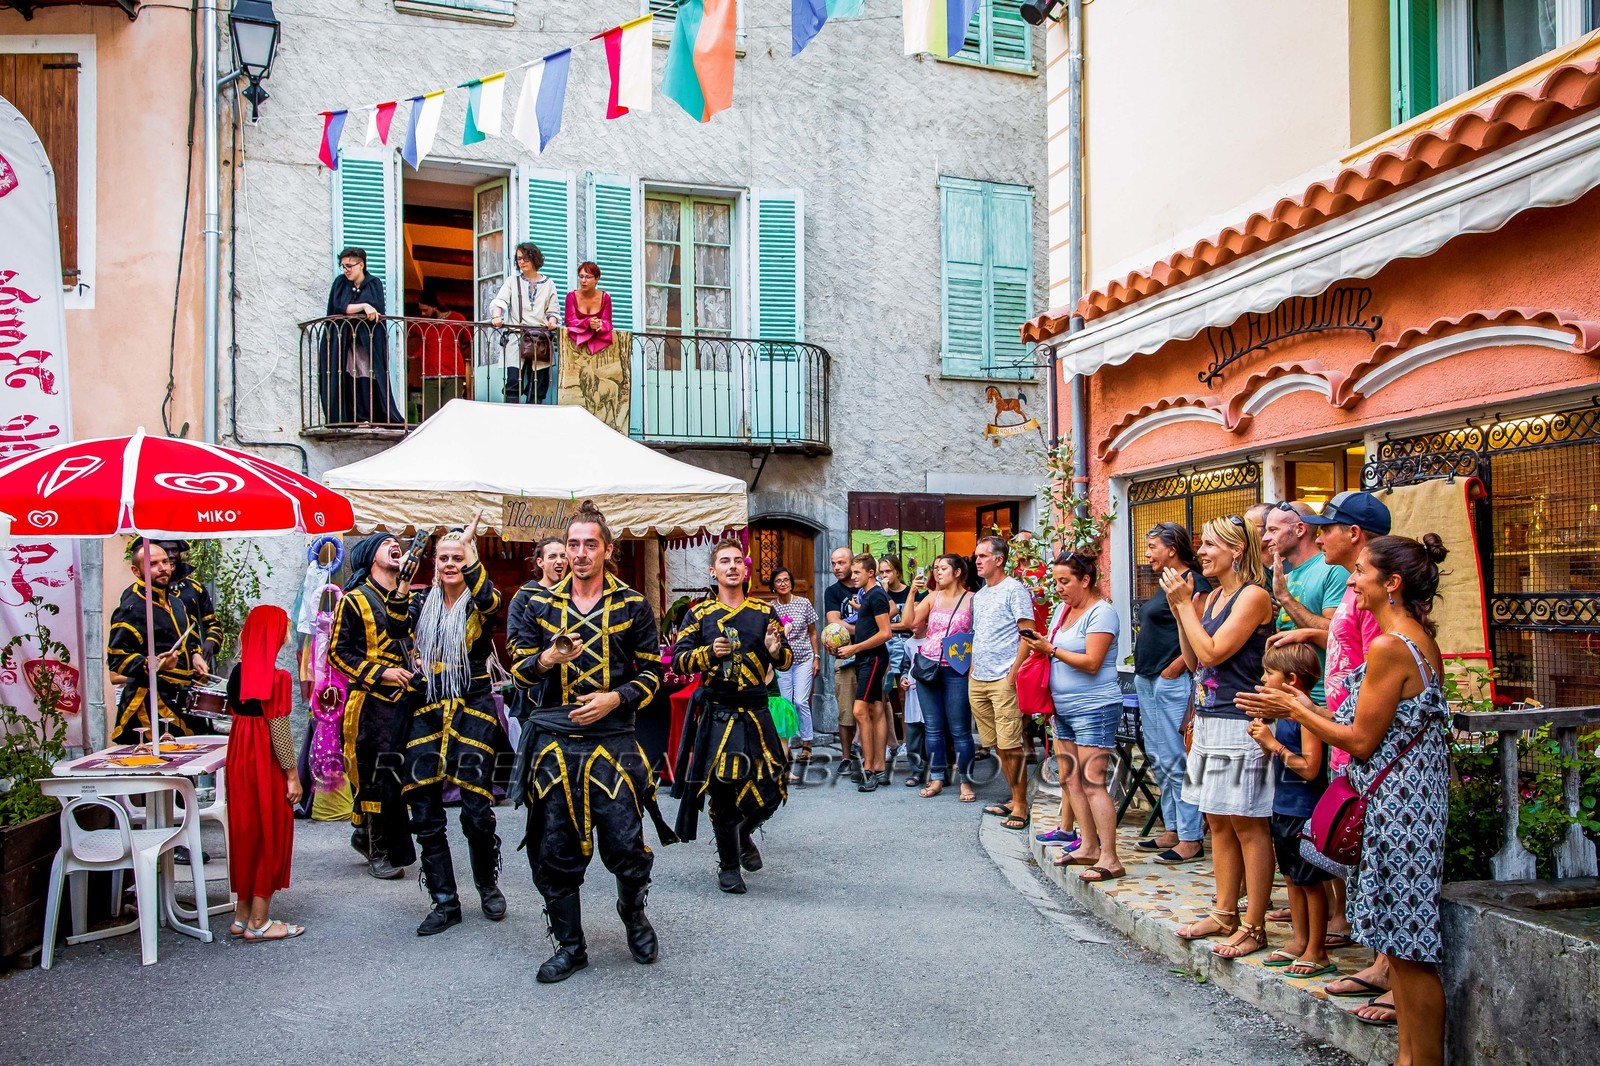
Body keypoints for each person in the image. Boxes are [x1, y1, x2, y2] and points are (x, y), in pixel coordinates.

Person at [1238, 534, 1452, 1066]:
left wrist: (1296, 709)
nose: (1352, 581)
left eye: (1360, 572)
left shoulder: (1388, 646)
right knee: (1402, 949)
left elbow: (1359, 739)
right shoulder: (1415, 638)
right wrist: (1298, 708)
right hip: (1408, 802)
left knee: (1409, 951)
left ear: (1392, 583)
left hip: (1399, 809)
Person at [506, 501, 675, 984]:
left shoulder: (633, 605)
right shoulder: (534, 603)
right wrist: (547, 661)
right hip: (555, 743)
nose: (579, 554)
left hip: (613, 738)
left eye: (589, 545)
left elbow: (652, 674)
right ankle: (571, 946)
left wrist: (614, 699)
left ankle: (633, 914)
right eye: (573, 545)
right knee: (555, 847)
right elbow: (517, 670)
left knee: (626, 844)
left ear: (607, 550)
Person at [1279, 489, 1391, 971]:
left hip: (1362, 731)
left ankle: (1384, 961)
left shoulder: (1369, 589)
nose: (1319, 534)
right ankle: (1377, 957)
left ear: (1355, 533)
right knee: (1350, 837)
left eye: (1327, 527)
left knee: (1370, 842)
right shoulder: (1351, 584)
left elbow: (1376, 656)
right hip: (1340, 726)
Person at [1164, 514, 1276, 960]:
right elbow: (1195, 661)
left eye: (1210, 544)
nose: (1202, 551)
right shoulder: (1209, 600)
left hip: (1239, 721)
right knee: (1215, 819)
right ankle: (1225, 912)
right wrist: (1181, 609)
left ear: (1238, 551)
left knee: (1248, 823)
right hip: (1209, 720)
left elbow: (1214, 651)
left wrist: (1185, 607)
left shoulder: (1254, 597)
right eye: (1202, 543)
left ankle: (1254, 924)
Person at [400, 516, 510, 937]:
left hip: (473, 706)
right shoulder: (418, 602)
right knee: (424, 810)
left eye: (458, 557)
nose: (450, 563)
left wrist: (469, 554)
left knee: (477, 812)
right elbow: (393, 620)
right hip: (427, 707)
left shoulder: (482, 599)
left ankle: (487, 885)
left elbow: (491, 605)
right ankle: (444, 901)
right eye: (444, 557)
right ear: (434, 564)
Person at [671, 541, 793, 893]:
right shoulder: (698, 614)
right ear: (713, 571)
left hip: (757, 711)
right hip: (719, 712)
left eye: (738, 561)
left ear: (746, 569)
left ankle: (741, 834)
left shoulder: (764, 612)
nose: (732, 566)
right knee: (722, 791)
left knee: (773, 788)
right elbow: (680, 661)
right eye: (725, 561)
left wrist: (775, 651)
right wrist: (708, 653)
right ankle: (728, 865)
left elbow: (786, 660)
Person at [1022, 550, 1124, 881]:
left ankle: (1110, 857)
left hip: (1094, 707)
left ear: (1086, 579)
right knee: (1070, 778)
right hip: (1063, 709)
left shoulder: (1102, 613)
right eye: (1056, 582)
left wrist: (1050, 650)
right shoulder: (1064, 612)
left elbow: (1092, 662)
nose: (1060, 588)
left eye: (1065, 581)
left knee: (1093, 782)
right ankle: (1089, 846)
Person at [328, 532, 418, 881]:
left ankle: (366, 835)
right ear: (369, 555)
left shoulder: (408, 599)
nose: (396, 545)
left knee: (398, 775)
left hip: (405, 700)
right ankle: (377, 847)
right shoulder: (353, 600)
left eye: (398, 542)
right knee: (374, 776)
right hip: (369, 703)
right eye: (386, 543)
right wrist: (380, 672)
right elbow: (338, 652)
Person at [1247, 642, 1331, 978]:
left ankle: (1318, 950)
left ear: (1292, 680)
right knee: (1292, 879)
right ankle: (1300, 939)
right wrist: (1263, 739)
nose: (1263, 678)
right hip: (1282, 805)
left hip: (1305, 809)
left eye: (1269, 673)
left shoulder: (1306, 715)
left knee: (1310, 882)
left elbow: (1310, 768)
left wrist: (1273, 745)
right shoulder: (1283, 715)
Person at [223, 605, 304, 942]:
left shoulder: (237, 674)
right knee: (271, 830)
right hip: (264, 760)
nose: (288, 633)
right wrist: (292, 775)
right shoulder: (278, 678)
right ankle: (260, 921)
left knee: (247, 831)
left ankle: (242, 916)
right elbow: (280, 732)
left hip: (239, 757)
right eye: (285, 627)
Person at [1132, 522, 1209, 865]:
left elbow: (1201, 630)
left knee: (1178, 759)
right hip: (1148, 678)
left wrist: (1176, 667)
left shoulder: (1193, 582)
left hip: (1170, 681)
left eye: (1152, 546)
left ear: (1172, 549)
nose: (1147, 553)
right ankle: (1173, 827)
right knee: (1160, 758)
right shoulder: (1164, 582)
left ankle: (1191, 837)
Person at [106, 540, 206, 743]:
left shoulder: (177, 603)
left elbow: (185, 638)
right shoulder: (132, 607)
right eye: (153, 564)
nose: (162, 568)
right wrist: (153, 664)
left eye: (166, 562)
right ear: (136, 570)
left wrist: (195, 654)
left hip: (180, 699)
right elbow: (117, 657)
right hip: (149, 704)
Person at [969, 535, 1036, 831]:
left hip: (1003, 678)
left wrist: (1013, 674)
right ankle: (1012, 797)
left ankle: (1020, 805)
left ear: (999, 559)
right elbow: (977, 635)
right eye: (976, 556)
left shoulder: (1015, 590)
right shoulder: (979, 595)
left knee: (1011, 744)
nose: (977, 561)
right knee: (997, 745)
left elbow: (1028, 634)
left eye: (983, 556)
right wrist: (972, 669)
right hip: (979, 678)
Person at [1262, 501, 1348, 706]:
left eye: (1273, 530)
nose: (1266, 539)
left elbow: (1337, 633)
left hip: (1322, 698)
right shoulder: (1284, 573)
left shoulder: (1332, 569)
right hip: (1286, 698)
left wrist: (1285, 598)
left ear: (1300, 529)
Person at [905, 553, 975, 802]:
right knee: (932, 729)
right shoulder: (932, 597)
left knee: (960, 730)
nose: (937, 572)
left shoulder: (972, 600)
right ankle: (936, 777)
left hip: (957, 670)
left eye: (943, 568)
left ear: (957, 572)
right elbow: (909, 622)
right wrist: (913, 593)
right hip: (929, 668)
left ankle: (966, 782)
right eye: (935, 568)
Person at [320, 247, 402, 426]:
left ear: (361, 264)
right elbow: (340, 306)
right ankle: (350, 417)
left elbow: (376, 306)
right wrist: (363, 306)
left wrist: (364, 307)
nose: (346, 270)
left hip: (367, 341)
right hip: (344, 342)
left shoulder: (374, 283)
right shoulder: (340, 283)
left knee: (367, 375)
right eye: (343, 266)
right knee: (346, 375)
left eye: (349, 265)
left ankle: (368, 416)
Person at [835, 553, 894, 792]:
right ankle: (879, 768)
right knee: (876, 709)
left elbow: (885, 633)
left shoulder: (877, 594)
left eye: (857, 572)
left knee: (860, 710)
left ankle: (869, 768)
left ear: (870, 573)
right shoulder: (869, 595)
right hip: (866, 658)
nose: (853, 576)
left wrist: (854, 647)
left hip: (873, 659)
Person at [490, 242, 561, 404]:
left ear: (534, 258)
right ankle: (512, 418)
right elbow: (500, 301)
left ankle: (532, 419)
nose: (522, 262)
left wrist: (552, 321)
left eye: (525, 258)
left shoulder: (548, 283)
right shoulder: (512, 282)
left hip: (541, 339)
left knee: (539, 385)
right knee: (514, 381)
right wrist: (496, 316)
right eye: (519, 259)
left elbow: (553, 309)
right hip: (517, 337)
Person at [769, 566, 819, 777]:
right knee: (786, 703)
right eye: (779, 581)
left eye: (786, 580)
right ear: (773, 585)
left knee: (800, 701)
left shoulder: (803, 603)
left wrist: (816, 657)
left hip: (804, 659)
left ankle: (807, 743)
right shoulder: (771, 608)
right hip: (783, 663)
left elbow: (813, 632)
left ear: (791, 583)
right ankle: (785, 747)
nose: (783, 583)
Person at [157, 540, 221, 677]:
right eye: (165, 551)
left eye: (174, 550)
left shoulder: (195, 589)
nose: (171, 555)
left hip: (195, 670)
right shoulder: (146, 592)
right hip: (161, 671)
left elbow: (212, 623)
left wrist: (211, 641)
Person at [822, 546, 858, 774]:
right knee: (845, 709)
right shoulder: (832, 592)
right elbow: (835, 623)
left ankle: (873, 755)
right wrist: (869, 627)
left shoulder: (865, 585)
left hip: (872, 654)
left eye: (841, 563)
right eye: (834, 563)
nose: (836, 567)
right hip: (845, 656)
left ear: (852, 562)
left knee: (873, 707)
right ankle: (846, 757)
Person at [878, 555, 914, 767]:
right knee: (884, 693)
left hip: (905, 645)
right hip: (886, 646)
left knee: (903, 693)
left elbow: (910, 623)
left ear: (897, 572)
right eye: (881, 572)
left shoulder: (909, 591)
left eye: (888, 572)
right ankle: (890, 742)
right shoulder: (879, 594)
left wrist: (888, 626)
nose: (885, 576)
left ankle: (907, 741)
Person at [412, 290, 469, 411]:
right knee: (430, 416)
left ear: (435, 307)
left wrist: (452, 352)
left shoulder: (457, 318)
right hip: (429, 375)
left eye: (425, 310)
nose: (422, 313)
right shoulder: (421, 322)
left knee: (451, 414)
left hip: (453, 374)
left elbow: (468, 341)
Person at [565, 261, 615, 355]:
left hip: (600, 347)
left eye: (588, 277)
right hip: (574, 345)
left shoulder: (605, 297)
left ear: (597, 279)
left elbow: (607, 321)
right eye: (581, 276)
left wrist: (599, 324)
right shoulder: (571, 296)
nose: (583, 281)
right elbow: (569, 321)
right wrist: (588, 322)